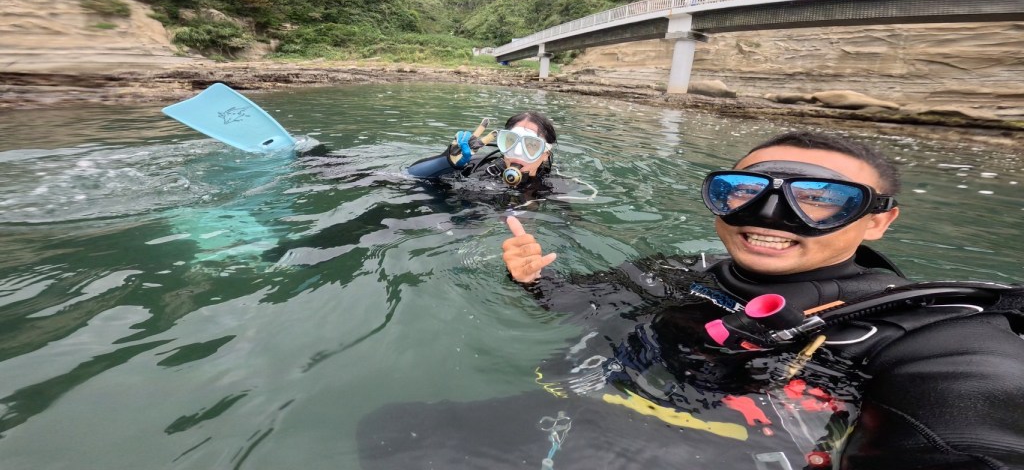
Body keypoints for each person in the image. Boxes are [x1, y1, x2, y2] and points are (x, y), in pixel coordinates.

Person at [500, 130, 1024, 469]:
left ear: (878, 221)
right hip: (566, 424)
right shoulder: (674, 273)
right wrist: (533, 280)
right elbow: (577, 303)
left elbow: (976, 429)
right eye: (746, 191)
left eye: (819, 198)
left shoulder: (927, 333)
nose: (768, 215)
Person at [406, 111, 557, 192]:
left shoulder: (554, 187)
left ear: (545, 154)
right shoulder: (477, 168)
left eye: (532, 145)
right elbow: (408, 177)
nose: (517, 152)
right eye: (510, 141)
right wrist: (446, 162)